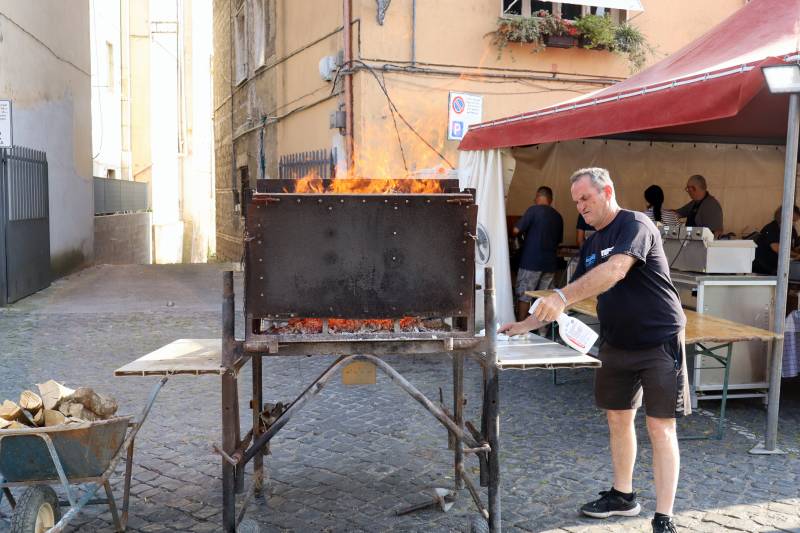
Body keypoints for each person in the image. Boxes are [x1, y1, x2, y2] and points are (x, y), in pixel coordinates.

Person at [500, 168, 688, 533]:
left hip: (658, 339)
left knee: (660, 427)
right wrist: (525, 325)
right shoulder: (590, 244)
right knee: (618, 418)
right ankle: (623, 495)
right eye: (576, 202)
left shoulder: (636, 225)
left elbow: (616, 270)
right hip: (617, 341)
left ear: (607, 192)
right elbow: (572, 296)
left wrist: (561, 296)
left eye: (585, 198)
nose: (580, 207)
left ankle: (664, 517)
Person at [513, 186, 564, 320]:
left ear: (537, 197)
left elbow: (516, 230)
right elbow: (558, 241)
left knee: (524, 296)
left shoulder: (533, 210)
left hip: (531, 262)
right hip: (550, 265)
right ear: (550, 200)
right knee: (544, 298)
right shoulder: (558, 217)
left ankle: (521, 328)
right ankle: (540, 332)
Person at [752, 205, 800, 275]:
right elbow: (777, 248)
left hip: (780, 268)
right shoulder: (770, 228)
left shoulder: (792, 230)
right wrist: (796, 255)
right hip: (765, 269)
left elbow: (795, 246)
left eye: (795, 221)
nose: (793, 223)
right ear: (781, 216)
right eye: (792, 220)